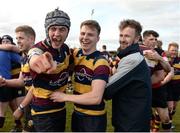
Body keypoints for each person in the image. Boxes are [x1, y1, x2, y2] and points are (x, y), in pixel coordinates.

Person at [50, 20, 110, 132]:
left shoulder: (100, 62)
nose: (85, 37)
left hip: (94, 118)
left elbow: (95, 98)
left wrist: (64, 97)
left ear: (98, 38)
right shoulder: (76, 53)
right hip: (77, 113)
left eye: (90, 34)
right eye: (82, 33)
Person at [26, 8, 71, 132]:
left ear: (68, 32)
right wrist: (35, 60)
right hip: (43, 112)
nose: (57, 34)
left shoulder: (66, 49)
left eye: (62, 29)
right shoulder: (39, 48)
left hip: (61, 108)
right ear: (47, 30)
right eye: (53, 28)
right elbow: (34, 54)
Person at [104, 19, 152, 132]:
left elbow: (107, 90)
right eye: (121, 35)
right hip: (132, 119)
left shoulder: (132, 59)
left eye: (127, 36)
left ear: (136, 38)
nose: (122, 39)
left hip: (132, 123)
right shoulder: (132, 55)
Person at [2, 26, 36, 132]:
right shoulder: (24, 57)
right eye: (16, 39)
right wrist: (4, 82)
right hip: (30, 103)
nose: (18, 42)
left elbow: (37, 86)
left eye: (20, 38)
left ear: (31, 39)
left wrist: (21, 107)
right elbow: (21, 81)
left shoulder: (36, 57)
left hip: (41, 106)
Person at [142, 30, 172, 132]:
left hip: (158, 88)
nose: (154, 41)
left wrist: (159, 58)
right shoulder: (138, 51)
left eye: (155, 39)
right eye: (151, 39)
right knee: (145, 119)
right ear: (144, 40)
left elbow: (168, 68)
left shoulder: (159, 52)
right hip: (143, 89)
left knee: (165, 118)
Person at [0, 35, 25, 132]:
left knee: (20, 107)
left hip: (18, 83)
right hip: (8, 83)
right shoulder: (5, 52)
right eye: (3, 41)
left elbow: (24, 60)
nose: (5, 43)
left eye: (7, 41)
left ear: (11, 42)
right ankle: (18, 125)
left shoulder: (15, 52)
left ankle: (28, 124)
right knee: (13, 106)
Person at [166, 42, 180, 129]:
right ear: (168, 50)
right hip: (167, 86)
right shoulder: (165, 59)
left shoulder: (179, 60)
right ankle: (156, 123)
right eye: (172, 50)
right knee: (168, 106)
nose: (174, 52)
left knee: (174, 107)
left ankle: (169, 122)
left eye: (175, 50)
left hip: (177, 88)